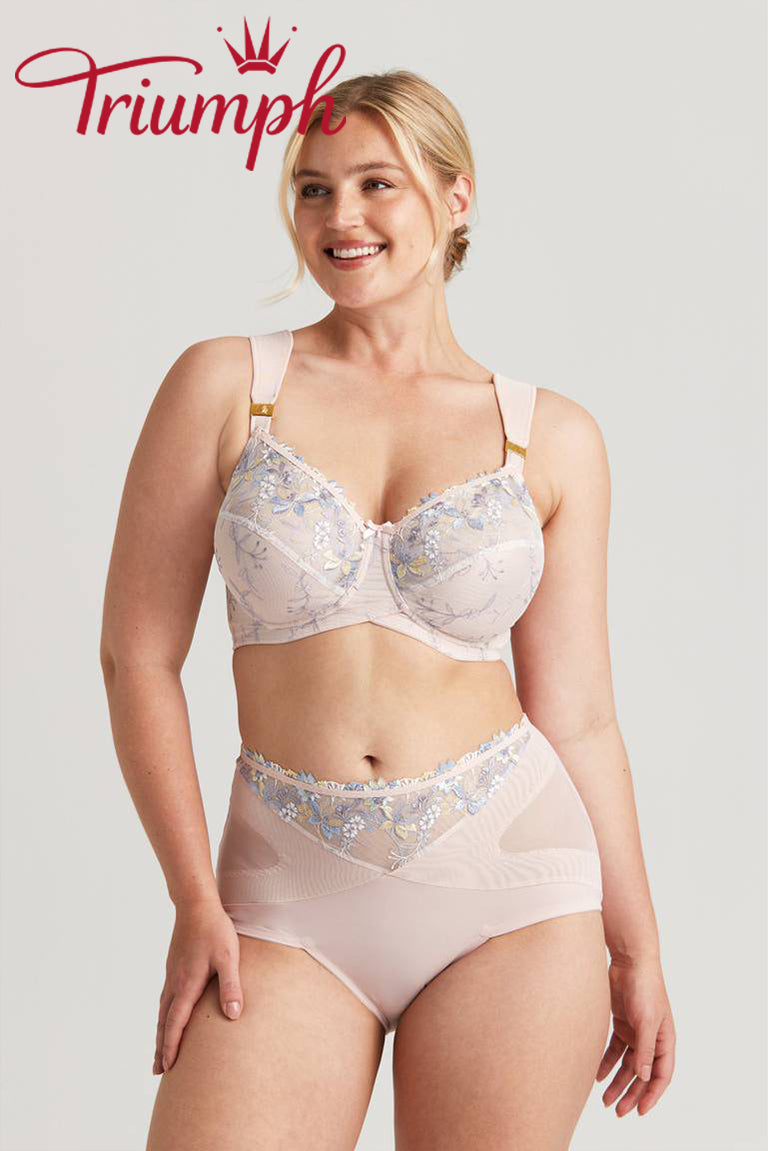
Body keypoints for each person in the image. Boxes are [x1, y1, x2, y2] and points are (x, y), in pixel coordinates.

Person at [100, 69, 676, 1150]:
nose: (341, 217)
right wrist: (192, 899)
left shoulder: (552, 436)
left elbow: (581, 715)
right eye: (313, 188)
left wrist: (637, 944)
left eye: (377, 183)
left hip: (514, 890)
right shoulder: (226, 386)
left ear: (457, 197)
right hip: (282, 891)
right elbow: (137, 658)